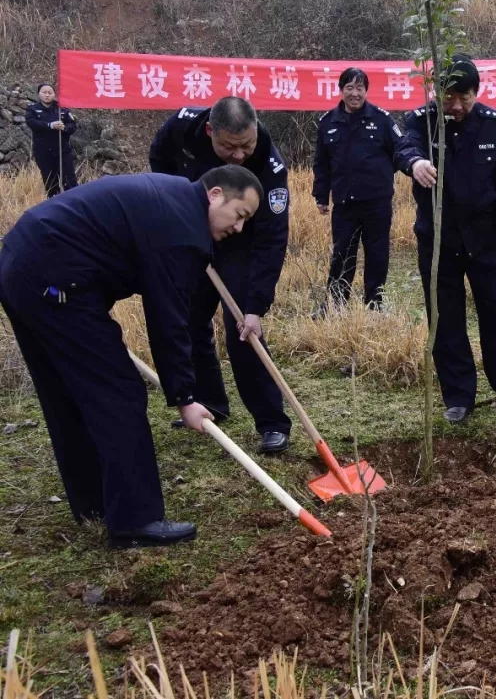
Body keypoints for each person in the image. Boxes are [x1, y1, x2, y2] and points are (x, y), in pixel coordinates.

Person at [0, 166, 263, 547]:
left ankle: (94, 503)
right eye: (239, 215)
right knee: (119, 392)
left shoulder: (173, 200)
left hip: (21, 263)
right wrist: (185, 398)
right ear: (215, 194)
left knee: (67, 391)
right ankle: (135, 521)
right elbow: (168, 318)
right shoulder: (182, 230)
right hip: (56, 281)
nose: (238, 228)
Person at [395, 54, 496, 423]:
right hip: (438, 239)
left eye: (465, 97)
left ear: (477, 93)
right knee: (445, 317)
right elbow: (403, 147)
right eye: (449, 97)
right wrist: (415, 163)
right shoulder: (421, 121)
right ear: (436, 92)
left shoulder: (494, 126)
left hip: (485, 237)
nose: (456, 105)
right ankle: (458, 396)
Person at [148, 97, 292, 454]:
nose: (239, 155)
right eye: (229, 147)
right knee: (190, 320)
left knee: (243, 328)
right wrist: (177, 207)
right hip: (193, 232)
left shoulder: (269, 165)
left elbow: (273, 239)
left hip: (241, 241)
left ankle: (272, 423)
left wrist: (256, 306)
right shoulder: (181, 127)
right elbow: (159, 162)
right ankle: (210, 402)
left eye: (247, 146)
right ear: (211, 131)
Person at [312, 68, 413, 315]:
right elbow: (321, 163)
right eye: (350, 88)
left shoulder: (382, 120)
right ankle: (335, 305)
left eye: (360, 88)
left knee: (377, 254)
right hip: (344, 203)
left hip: (377, 203)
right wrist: (321, 195)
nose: (355, 93)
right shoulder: (328, 123)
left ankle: (374, 304)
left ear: (366, 91)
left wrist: (410, 166)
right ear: (341, 90)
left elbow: (400, 150)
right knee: (342, 254)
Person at [24, 82, 78, 197]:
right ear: (39, 94)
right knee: (50, 181)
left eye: (50, 92)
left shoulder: (62, 109)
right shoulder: (33, 109)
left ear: (54, 94)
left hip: (62, 151)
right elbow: (32, 123)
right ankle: (54, 203)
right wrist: (50, 125)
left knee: (70, 180)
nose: (47, 95)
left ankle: (74, 203)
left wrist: (64, 128)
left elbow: (73, 126)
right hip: (43, 151)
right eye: (44, 92)